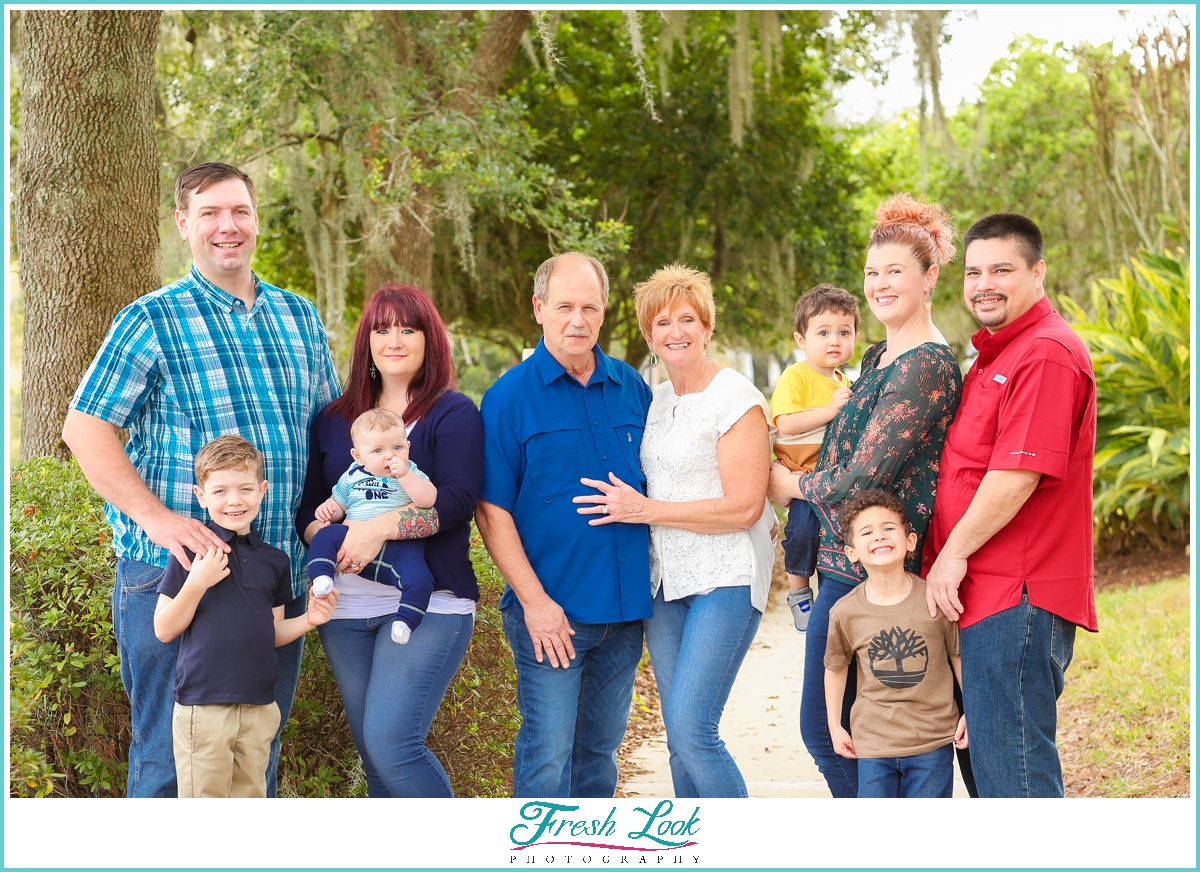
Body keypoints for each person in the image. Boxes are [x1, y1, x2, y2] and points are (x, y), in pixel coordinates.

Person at [62, 162, 340, 798]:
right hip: (177, 578)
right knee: (168, 763)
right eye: (210, 213)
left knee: (252, 763)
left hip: (274, 578)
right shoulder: (150, 320)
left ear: (256, 221)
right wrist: (159, 521)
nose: (227, 226)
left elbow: (329, 431)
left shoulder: (298, 317)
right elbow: (86, 429)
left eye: (239, 211)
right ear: (184, 225)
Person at [767, 193, 963, 798]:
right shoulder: (879, 355)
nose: (879, 285)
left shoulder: (925, 366)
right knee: (847, 727)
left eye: (894, 272)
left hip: (875, 571)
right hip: (841, 564)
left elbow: (864, 473)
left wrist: (789, 485)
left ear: (929, 278)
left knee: (834, 731)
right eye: (872, 273)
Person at [575, 263, 775, 798]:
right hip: (665, 587)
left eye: (688, 319)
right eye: (662, 323)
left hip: (725, 577)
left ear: (707, 327)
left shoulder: (737, 397)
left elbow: (745, 508)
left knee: (693, 729)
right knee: (678, 740)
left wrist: (645, 510)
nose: (676, 331)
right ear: (648, 336)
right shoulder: (654, 400)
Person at [923, 212, 1098, 798]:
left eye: (1002, 269)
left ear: (1038, 271)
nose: (983, 284)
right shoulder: (998, 354)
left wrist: (951, 555)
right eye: (974, 271)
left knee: (1014, 779)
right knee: (991, 773)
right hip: (985, 596)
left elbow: (1016, 475)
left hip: (1016, 595)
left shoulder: (1046, 352)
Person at [476, 252, 653, 798]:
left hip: (625, 614)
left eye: (589, 307)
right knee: (547, 758)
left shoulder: (631, 386)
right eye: (564, 307)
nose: (577, 320)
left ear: (603, 313)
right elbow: (491, 511)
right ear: (539, 309)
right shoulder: (507, 399)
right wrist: (534, 602)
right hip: (552, 615)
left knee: (599, 755)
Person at [297, 283, 483, 798]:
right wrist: (332, 541)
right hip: (346, 607)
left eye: (408, 328)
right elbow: (309, 511)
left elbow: (456, 503)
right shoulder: (335, 421)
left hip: (431, 599)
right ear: (367, 342)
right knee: (374, 756)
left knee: (393, 743)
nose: (394, 340)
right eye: (382, 329)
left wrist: (378, 528)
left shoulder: (453, 412)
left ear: (430, 339)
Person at [153, 436, 339, 797]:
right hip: (204, 706)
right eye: (220, 491)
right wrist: (198, 582)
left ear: (262, 490)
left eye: (245, 488)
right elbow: (163, 629)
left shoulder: (275, 561)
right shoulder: (192, 555)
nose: (234, 500)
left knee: (252, 799)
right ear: (201, 495)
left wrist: (309, 621)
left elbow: (270, 632)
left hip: (259, 705)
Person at [824, 489, 968, 798]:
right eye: (867, 532)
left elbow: (957, 655)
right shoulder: (845, 611)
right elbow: (836, 668)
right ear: (852, 553)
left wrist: (972, 709)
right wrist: (834, 726)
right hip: (874, 743)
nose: (879, 536)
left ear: (910, 541)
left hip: (932, 740)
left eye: (889, 528)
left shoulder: (935, 600)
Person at [772, 284, 860, 632]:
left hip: (832, 479)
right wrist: (829, 409)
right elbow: (786, 424)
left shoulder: (845, 380)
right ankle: (798, 591)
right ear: (801, 339)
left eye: (844, 332)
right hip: (803, 475)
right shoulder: (797, 376)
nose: (834, 340)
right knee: (803, 529)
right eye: (823, 332)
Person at [308, 407, 437, 645]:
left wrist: (406, 476)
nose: (390, 456)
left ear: (408, 446)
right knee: (323, 536)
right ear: (358, 456)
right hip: (351, 542)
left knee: (421, 578)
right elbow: (339, 503)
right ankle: (322, 579)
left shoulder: (412, 472)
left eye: (397, 448)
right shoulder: (352, 475)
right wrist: (328, 509)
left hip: (398, 548)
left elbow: (427, 500)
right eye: (378, 450)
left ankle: (405, 622)